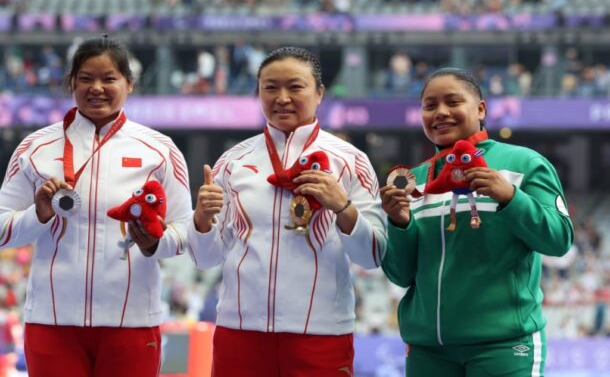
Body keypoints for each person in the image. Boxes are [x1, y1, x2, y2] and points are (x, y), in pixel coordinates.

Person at [0, 36, 192, 377]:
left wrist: (155, 243)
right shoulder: (35, 147)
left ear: (129, 84)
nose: (97, 88)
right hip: (51, 321)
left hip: (131, 322)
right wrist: (38, 214)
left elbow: (184, 231)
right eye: (86, 78)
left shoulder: (160, 150)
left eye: (109, 79)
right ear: (72, 83)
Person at [189, 46, 387, 376]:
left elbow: (372, 256)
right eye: (270, 87)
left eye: (295, 87)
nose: (282, 98)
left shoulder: (351, 161)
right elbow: (205, 259)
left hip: (322, 334)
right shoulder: (232, 161)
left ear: (320, 93)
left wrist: (342, 206)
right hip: (240, 334)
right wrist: (202, 220)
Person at [380, 67, 574, 376]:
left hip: (504, 346)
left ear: (480, 109)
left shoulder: (524, 163)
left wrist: (510, 197)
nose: (441, 112)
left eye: (453, 102)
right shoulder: (413, 180)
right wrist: (400, 224)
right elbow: (400, 274)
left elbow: (559, 239)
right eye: (430, 106)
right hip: (428, 351)